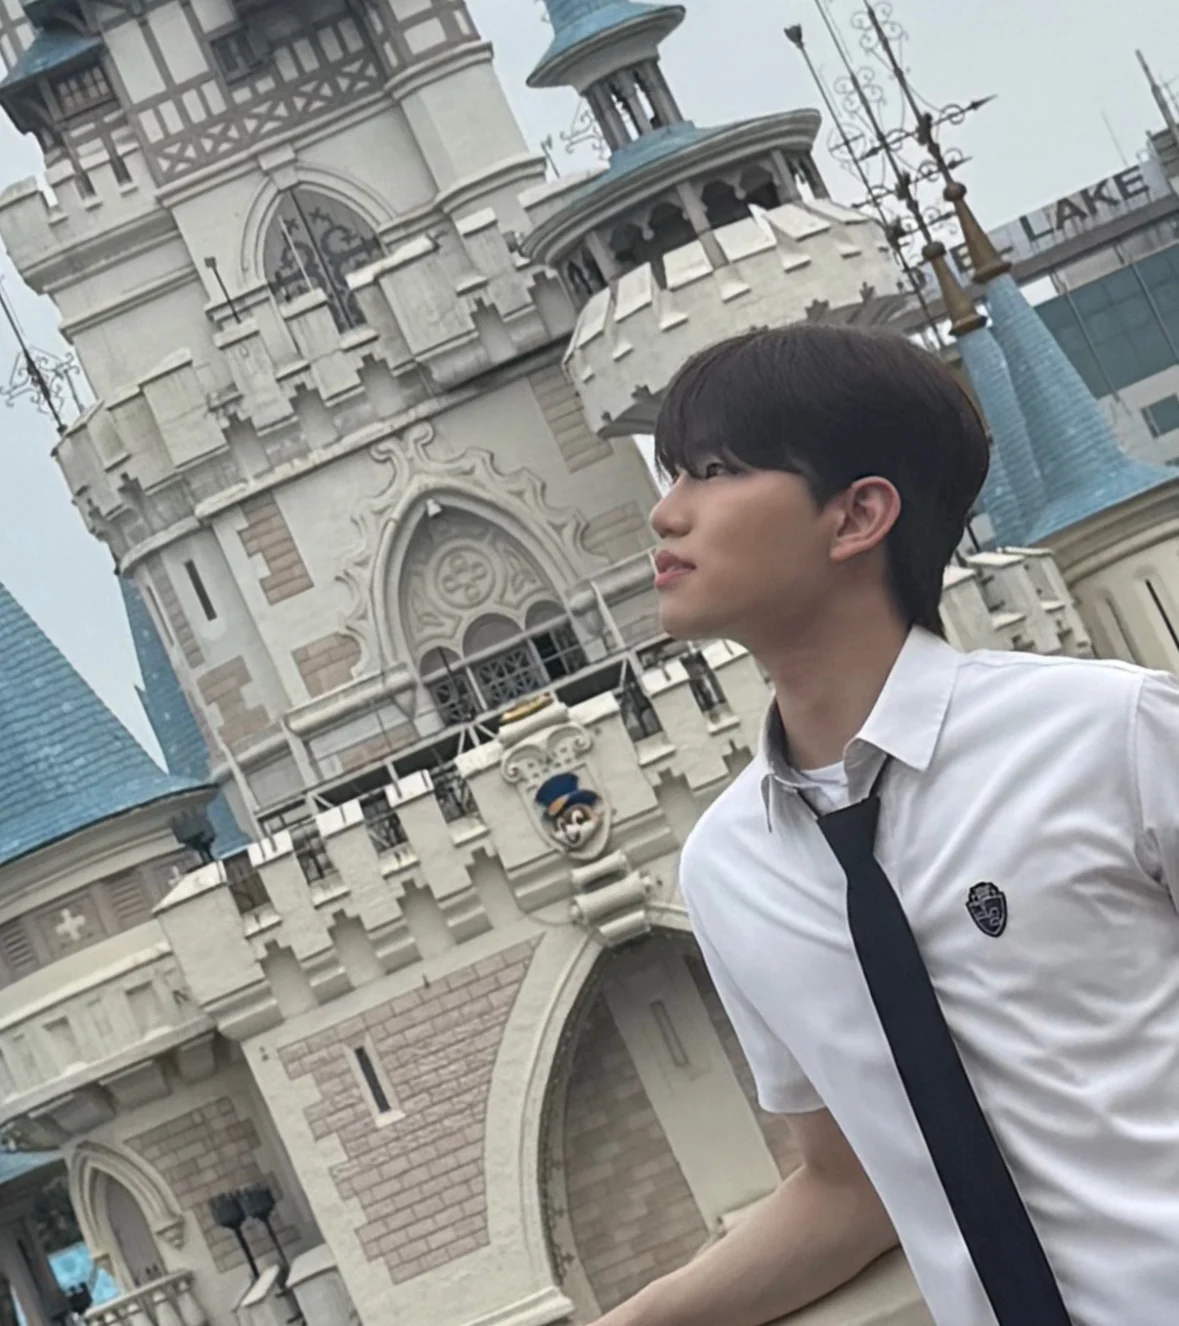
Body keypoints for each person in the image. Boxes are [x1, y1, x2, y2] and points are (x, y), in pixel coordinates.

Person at [600, 324, 1179, 1326]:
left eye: (715, 471)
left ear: (858, 514)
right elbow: (850, 1183)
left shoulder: (1108, 733)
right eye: (673, 474)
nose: (667, 512)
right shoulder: (730, 868)